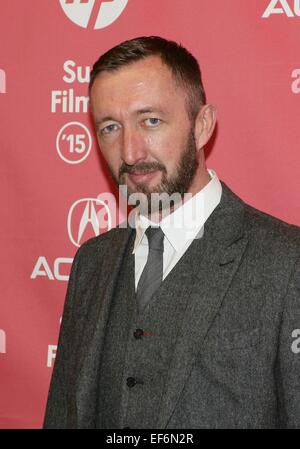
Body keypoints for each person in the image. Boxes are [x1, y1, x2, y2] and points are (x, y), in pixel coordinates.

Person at [44, 36, 300, 429]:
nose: (130, 152)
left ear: (202, 125)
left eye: (151, 121)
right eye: (111, 127)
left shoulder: (287, 262)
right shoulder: (91, 262)